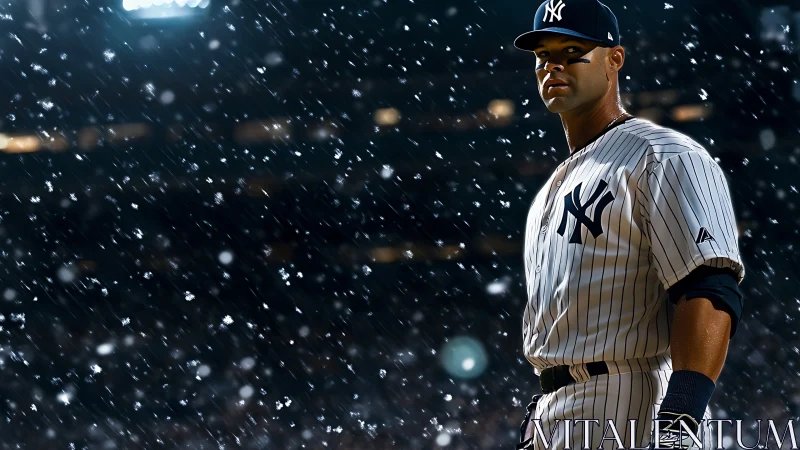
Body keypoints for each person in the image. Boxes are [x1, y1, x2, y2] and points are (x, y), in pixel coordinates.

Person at [512, 0, 746, 448]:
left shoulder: (664, 155)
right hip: (555, 412)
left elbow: (709, 286)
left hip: (628, 404)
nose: (553, 66)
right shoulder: (552, 188)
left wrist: (680, 418)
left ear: (614, 59)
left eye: (572, 51)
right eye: (544, 55)